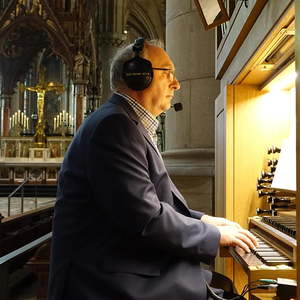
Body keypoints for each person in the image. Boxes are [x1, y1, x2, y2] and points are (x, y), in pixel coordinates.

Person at [48, 38, 256, 300]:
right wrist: (214, 236)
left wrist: (203, 220)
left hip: (125, 267)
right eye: (167, 73)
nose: (176, 84)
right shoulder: (114, 127)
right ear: (138, 76)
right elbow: (145, 218)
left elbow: (150, 202)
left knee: (226, 286)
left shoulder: (126, 122)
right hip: (106, 282)